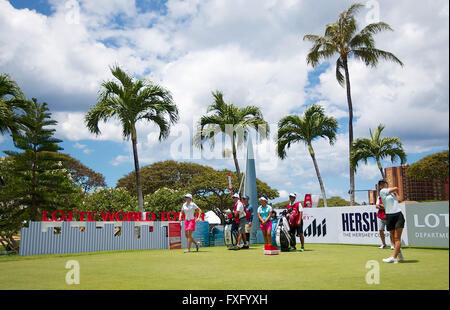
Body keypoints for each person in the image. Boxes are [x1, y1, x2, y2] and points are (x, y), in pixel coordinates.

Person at [378, 180, 405, 263]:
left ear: (386, 184)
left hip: (398, 215)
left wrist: (395, 193)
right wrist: (394, 190)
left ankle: (394, 257)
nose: (382, 185)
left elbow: (400, 199)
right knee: (393, 237)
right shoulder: (382, 191)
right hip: (389, 216)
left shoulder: (392, 194)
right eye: (381, 184)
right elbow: (396, 187)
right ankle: (398, 252)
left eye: (383, 183)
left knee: (397, 238)